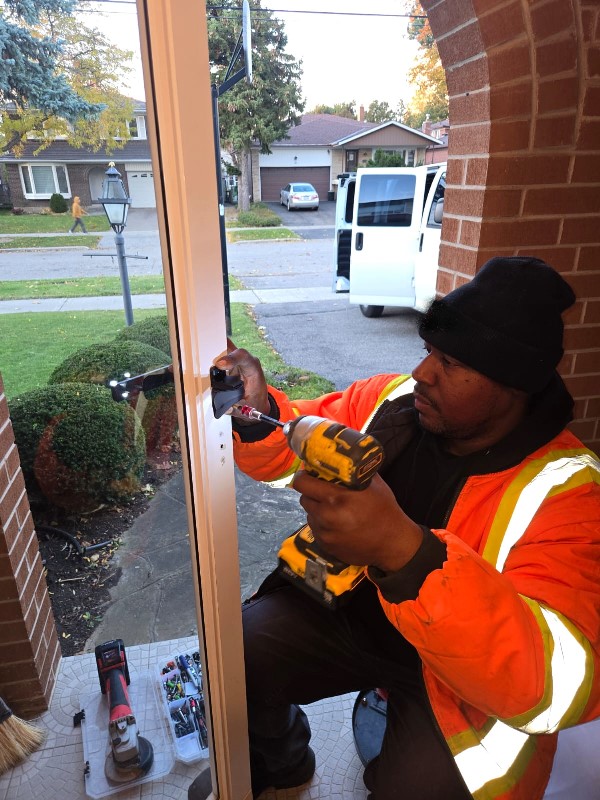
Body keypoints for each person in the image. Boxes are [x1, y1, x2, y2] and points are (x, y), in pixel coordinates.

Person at [214, 256, 600, 800]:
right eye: (428, 350)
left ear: (513, 386)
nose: (423, 372)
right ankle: (284, 766)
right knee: (236, 653)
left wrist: (403, 552)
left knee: (416, 786)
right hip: (349, 613)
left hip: (455, 676)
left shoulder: (569, 491)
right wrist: (258, 414)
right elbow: (294, 441)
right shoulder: (393, 402)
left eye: (450, 361)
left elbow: (560, 684)